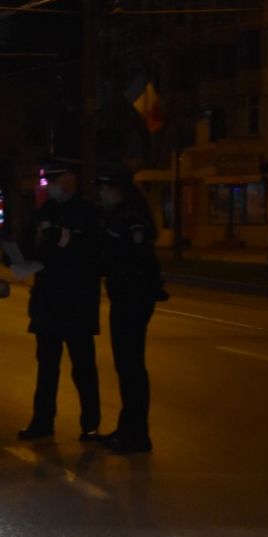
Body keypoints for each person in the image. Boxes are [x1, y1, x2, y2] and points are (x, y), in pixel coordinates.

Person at [13, 163, 102, 441]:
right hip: (49, 301)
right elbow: (29, 249)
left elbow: (95, 254)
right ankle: (42, 421)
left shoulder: (88, 212)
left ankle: (91, 424)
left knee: (83, 368)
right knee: (47, 368)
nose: (50, 185)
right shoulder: (44, 212)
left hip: (77, 302)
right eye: (48, 180)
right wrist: (16, 255)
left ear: (70, 179)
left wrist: (65, 240)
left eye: (55, 179)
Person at [95, 165, 167, 454]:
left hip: (131, 300)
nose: (100, 193)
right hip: (127, 298)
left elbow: (136, 259)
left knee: (131, 368)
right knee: (127, 367)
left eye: (103, 188)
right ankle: (129, 430)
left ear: (116, 189)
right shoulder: (121, 215)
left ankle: (136, 435)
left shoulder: (130, 218)